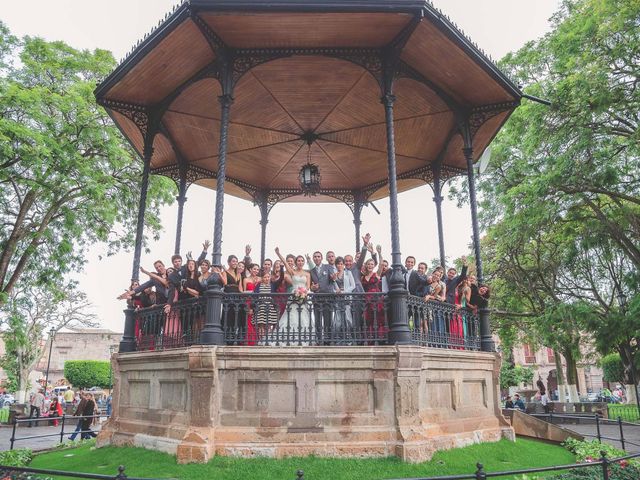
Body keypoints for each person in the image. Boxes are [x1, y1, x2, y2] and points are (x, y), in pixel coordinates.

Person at [276, 248, 311, 343]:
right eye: (298, 261)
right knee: (290, 316)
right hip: (293, 297)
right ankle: (288, 337)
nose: (300, 262)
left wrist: (303, 293)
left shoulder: (307, 274)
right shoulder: (293, 272)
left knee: (303, 317)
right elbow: (285, 263)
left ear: (304, 262)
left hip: (303, 297)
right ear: (296, 262)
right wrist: (278, 254)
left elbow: (307, 287)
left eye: (302, 261)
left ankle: (303, 338)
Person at [331, 256, 356, 343]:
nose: (340, 265)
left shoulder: (348, 273)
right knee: (338, 320)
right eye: (338, 264)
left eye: (341, 264)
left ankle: (350, 338)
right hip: (338, 299)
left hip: (346, 298)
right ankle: (338, 338)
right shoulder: (334, 274)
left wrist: (345, 291)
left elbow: (353, 286)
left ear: (343, 265)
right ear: (336, 265)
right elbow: (333, 287)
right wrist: (336, 290)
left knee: (348, 318)